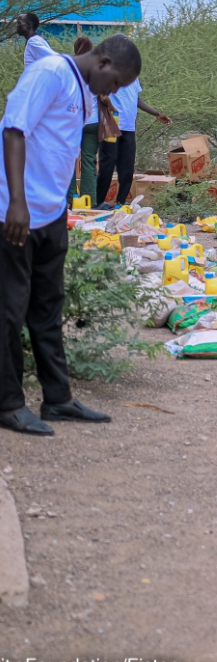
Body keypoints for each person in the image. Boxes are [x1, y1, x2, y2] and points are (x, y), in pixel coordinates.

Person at [0, 34, 138, 436]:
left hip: (50, 213)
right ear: (104, 62)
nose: (112, 92)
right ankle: (8, 403)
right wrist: (17, 204)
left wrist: (57, 207)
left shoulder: (81, 88)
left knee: (47, 307)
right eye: (115, 84)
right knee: (10, 309)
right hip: (16, 213)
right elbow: (13, 130)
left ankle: (57, 399)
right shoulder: (49, 73)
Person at [95, 74, 172, 209]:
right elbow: (103, 96)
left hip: (129, 127)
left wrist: (156, 114)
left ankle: (121, 201)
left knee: (127, 166)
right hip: (111, 124)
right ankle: (98, 201)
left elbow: (136, 100)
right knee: (108, 163)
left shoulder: (133, 77)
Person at [67, 37, 101, 205]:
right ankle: (90, 200)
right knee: (88, 160)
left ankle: (70, 198)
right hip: (93, 121)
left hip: (73, 122)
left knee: (70, 160)